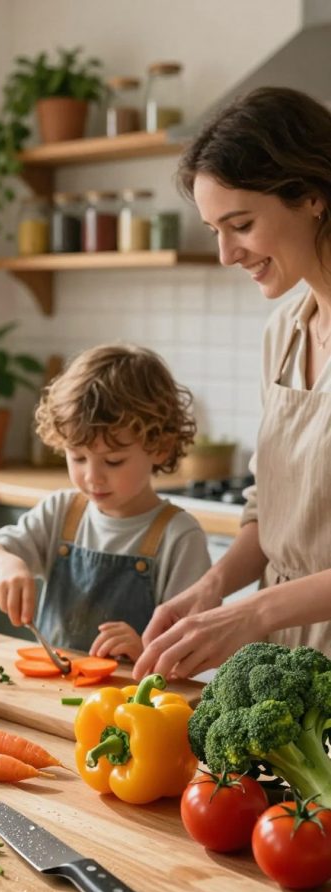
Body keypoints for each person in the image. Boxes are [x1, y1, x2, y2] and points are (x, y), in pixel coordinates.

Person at [134, 85, 331, 682]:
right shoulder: (284, 333)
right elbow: (268, 507)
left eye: (240, 224)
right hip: (287, 663)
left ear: (311, 196)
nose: (225, 253)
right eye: (214, 229)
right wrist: (213, 588)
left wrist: (250, 614)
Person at [0, 344, 211, 659]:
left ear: (160, 447)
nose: (92, 477)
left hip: (132, 703)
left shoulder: (179, 536)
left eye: (113, 461)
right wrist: (5, 565)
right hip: (52, 694)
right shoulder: (62, 512)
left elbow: (192, 645)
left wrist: (143, 648)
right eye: (78, 457)